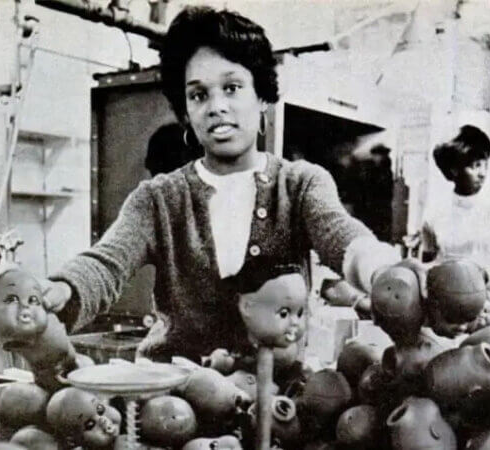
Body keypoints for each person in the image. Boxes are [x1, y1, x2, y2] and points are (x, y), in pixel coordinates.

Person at [40, 6, 398, 362]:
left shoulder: (300, 185)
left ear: (261, 96)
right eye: (199, 95)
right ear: (186, 110)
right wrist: (61, 288)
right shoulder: (158, 199)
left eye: (232, 88)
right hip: (173, 398)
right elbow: (106, 264)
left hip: (272, 400)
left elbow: (343, 237)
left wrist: (383, 271)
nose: (216, 106)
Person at [420, 125, 490, 281]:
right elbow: (427, 268)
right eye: (475, 166)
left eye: (484, 165)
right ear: (454, 169)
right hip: (446, 296)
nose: (482, 173)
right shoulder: (434, 211)